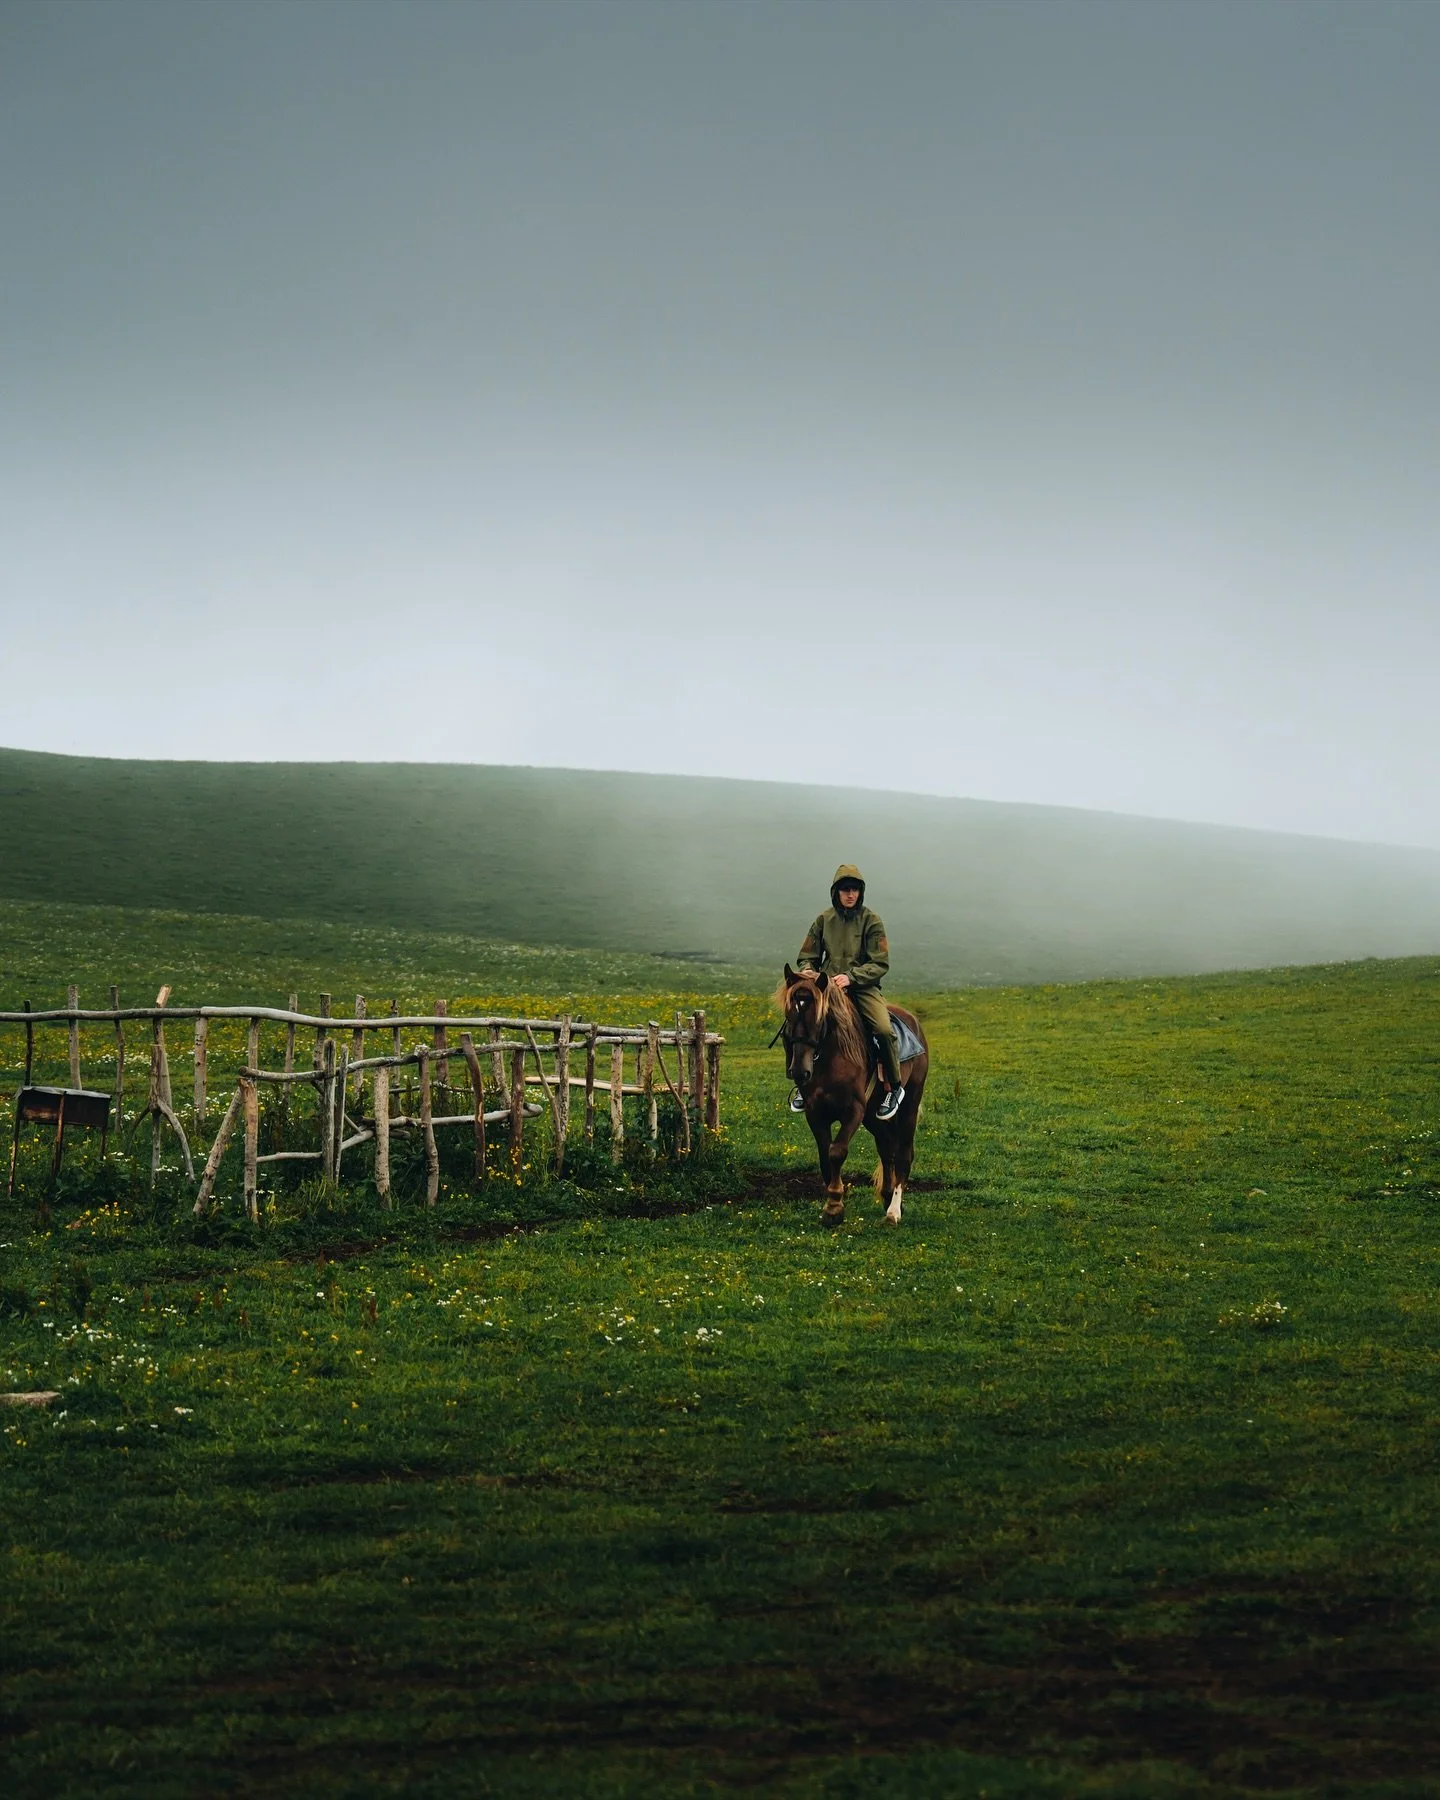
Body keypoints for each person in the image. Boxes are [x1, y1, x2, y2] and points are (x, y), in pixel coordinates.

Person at [792, 864, 905, 1122]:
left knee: (884, 1030)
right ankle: (801, 1084)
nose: (850, 894)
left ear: (860, 892)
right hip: (828, 987)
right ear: (836, 892)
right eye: (845, 889)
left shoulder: (872, 921)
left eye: (854, 889)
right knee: (799, 1025)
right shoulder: (823, 920)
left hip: (863, 988)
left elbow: (880, 963)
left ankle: (894, 1087)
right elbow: (807, 957)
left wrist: (852, 977)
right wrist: (810, 974)